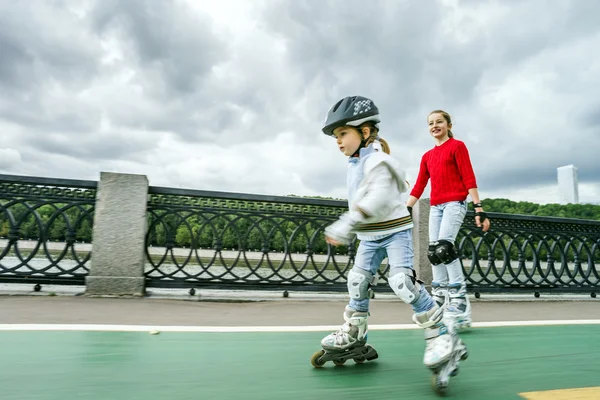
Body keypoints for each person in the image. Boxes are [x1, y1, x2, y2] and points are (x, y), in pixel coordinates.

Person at [319, 96, 467, 388]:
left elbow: (377, 197)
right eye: (336, 136)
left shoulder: (378, 160)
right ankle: (355, 334)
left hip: (396, 230)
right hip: (369, 236)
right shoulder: (355, 161)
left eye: (343, 133)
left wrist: (347, 222)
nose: (338, 141)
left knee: (402, 282)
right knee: (357, 281)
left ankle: (440, 336)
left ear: (364, 132)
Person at [406, 110, 490, 331]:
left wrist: (478, 206)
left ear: (448, 124)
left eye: (439, 122)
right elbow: (419, 184)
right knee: (434, 252)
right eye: (431, 123)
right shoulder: (427, 156)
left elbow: (468, 176)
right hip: (435, 207)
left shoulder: (457, 146)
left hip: (455, 203)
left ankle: (460, 303)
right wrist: (407, 207)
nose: (435, 126)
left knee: (445, 248)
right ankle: (440, 300)